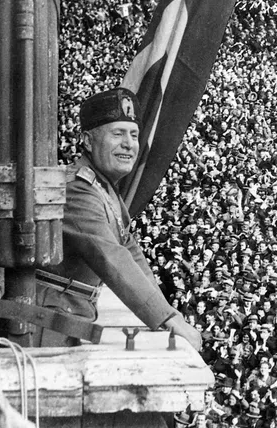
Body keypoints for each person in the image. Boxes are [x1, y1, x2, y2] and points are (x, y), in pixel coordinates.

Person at [35, 87, 201, 350]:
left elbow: (130, 250)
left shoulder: (104, 187)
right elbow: (111, 257)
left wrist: (169, 313)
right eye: (118, 134)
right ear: (87, 141)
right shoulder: (77, 189)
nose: (128, 144)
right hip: (46, 323)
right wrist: (167, 319)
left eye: (134, 135)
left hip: (67, 315)